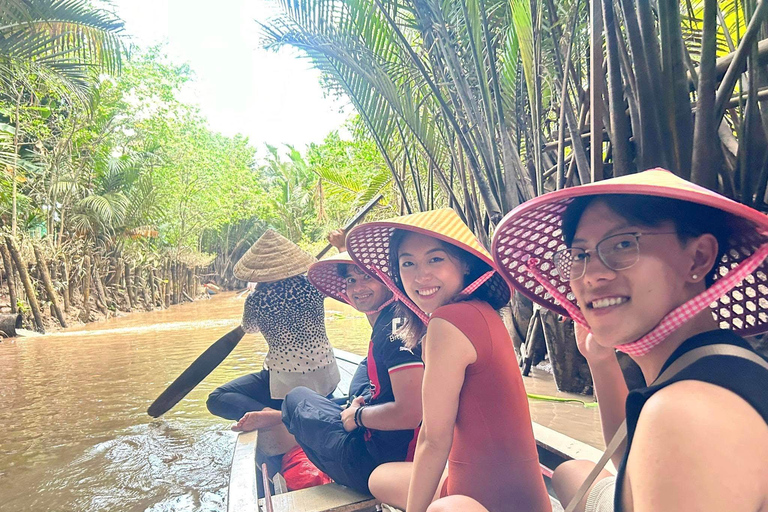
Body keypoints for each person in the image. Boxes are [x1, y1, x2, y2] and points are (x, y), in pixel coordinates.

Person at [490, 168, 768, 512]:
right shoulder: (720, 362)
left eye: (623, 244)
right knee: (570, 472)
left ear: (698, 258)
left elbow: (663, 441)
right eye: (580, 255)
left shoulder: (684, 415)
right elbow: (631, 458)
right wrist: (600, 360)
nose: (592, 275)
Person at [346, 208, 551, 512]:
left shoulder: (447, 322)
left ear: (465, 264)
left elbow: (433, 439)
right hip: (526, 497)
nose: (420, 275)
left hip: (478, 500)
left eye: (435, 259)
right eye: (408, 263)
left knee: (381, 476)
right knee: (380, 477)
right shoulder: (481, 310)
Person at [206, 228, 342, 424]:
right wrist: (340, 247)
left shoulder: (257, 299)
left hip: (285, 386)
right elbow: (341, 281)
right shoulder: (313, 285)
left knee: (217, 398)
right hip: (326, 380)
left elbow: (250, 328)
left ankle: (271, 414)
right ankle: (284, 414)